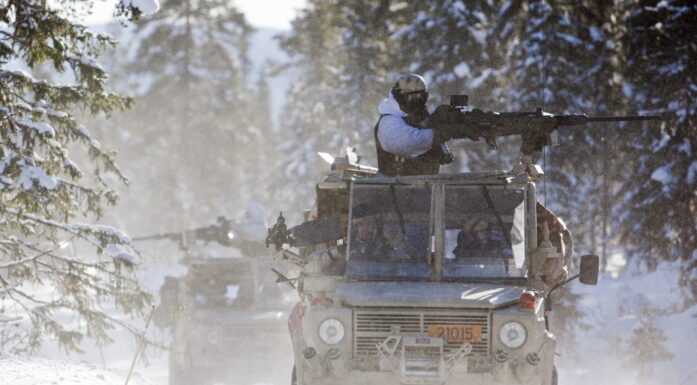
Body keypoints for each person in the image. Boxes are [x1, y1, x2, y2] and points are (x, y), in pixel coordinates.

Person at [374, 73, 479, 177]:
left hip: (421, 186)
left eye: (422, 96)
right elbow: (411, 143)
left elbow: (431, 121)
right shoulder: (389, 121)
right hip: (392, 188)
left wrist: (468, 122)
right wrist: (446, 131)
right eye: (414, 96)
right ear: (402, 96)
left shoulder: (418, 117)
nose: (419, 101)